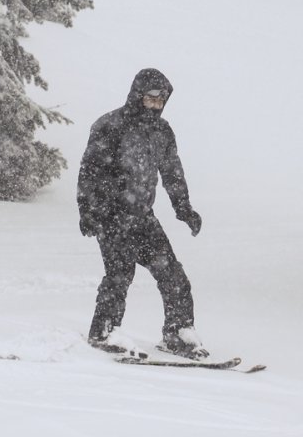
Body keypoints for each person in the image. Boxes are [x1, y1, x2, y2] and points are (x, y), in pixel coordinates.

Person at [77, 68, 208, 360]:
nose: (156, 104)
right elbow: (89, 171)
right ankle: (104, 332)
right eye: (151, 97)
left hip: (142, 216)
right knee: (120, 274)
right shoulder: (110, 125)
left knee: (172, 273)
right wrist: (88, 211)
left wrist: (184, 208)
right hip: (110, 215)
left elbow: (172, 173)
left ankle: (178, 332)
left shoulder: (162, 131)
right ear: (138, 95)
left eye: (162, 99)